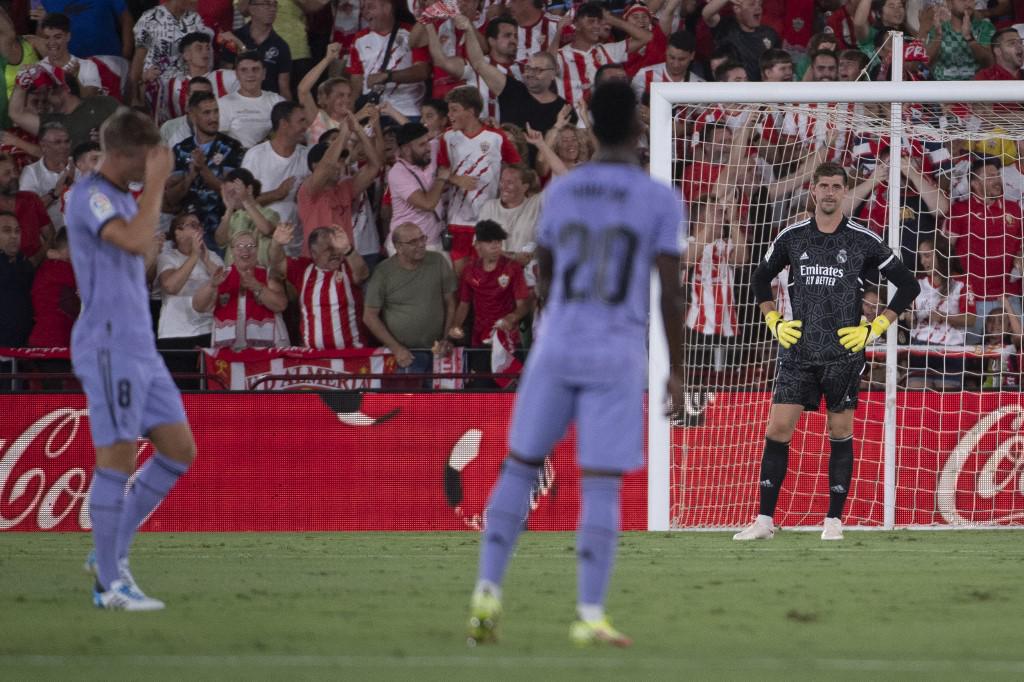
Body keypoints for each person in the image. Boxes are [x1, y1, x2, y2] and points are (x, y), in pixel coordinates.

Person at [465, 81, 686, 648]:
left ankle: (487, 589)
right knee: (601, 482)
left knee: (519, 465)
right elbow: (668, 291)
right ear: (639, 128)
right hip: (614, 349)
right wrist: (676, 370)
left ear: (588, 126)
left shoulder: (561, 193)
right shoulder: (658, 198)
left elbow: (544, 268)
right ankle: (589, 611)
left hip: (558, 340)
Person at [737, 161, 920, 543]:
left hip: (842, 354)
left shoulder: (862, 238)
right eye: (824, 186)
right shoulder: (792, 236)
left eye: (837, 186)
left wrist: (875, 328)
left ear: (844, 192)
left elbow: (907, 285)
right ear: (813, 190)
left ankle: (834, 520)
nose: (830, 192)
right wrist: (773, 321)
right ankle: (764, 520)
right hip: (798, 351)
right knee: (778, 429)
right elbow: (758, 279)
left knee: (839, 432)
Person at [65, 108, 196, 610]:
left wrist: (147, 194)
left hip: (141, 341)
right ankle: (109, 585)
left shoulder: (118, 198)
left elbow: (137, 257)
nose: (155, 164)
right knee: (117, 458)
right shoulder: (91, 194)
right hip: (109, 342)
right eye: (149, 156)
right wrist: (157, 186)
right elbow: (140, 241)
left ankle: (109, 555)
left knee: (178, 450)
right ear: (125, 154)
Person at [438, 85, 521, 273]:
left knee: (485, 276)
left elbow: (517, 168)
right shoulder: (448, 137)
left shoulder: (496, 137)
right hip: (457, 220)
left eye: (455, 110)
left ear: (471, 111)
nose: (449, 115)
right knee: (459, 279)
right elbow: (440, 172)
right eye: (449, 110)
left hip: (488, 219)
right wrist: (454, 178)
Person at [363, 222, 457, 381]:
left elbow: (451, 303)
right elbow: (369, 316)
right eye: (413, 242)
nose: (421, 244)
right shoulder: (383, 272)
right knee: (409, 404)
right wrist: (396, 348)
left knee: (441, 403)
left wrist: (447, 338)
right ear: (398, 247)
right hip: (406, 355)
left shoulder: (438, 261)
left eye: (422, 238)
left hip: (438, 350)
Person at [449, 219, 531, 380]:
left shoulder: (512, 268)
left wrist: (512, 317)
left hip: (509, 340)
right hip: (480, 340)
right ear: (478, 245)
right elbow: (464, 305)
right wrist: (455, 327)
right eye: (489, 242)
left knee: (511, 391)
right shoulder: (470, 270)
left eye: (499, 242)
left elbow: (524, 305)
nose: (496, 246)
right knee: (482, 391)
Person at [268, 222, 371, 349]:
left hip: (352, 354)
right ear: (314, 253)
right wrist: (276, 244)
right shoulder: (303, 269)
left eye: (336, 247)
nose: (334, 253)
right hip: (315, 359)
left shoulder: (348, 266)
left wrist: (348, 249)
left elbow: (363, 274)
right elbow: (277, 264)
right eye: (328, 249)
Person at [166, 92, 245, 249]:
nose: (213, 118)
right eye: (207, 113)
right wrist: (191, 175)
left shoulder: (231, 147)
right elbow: (171, 199)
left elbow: (231, 193)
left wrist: (202, 168)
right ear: (193, 116)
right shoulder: (181, 149)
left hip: (220, 228)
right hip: (187, 230)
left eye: (216, 111)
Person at [296, 109, 382, 254]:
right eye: (337, 160)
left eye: (342, 160)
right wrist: (344, 133)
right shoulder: (309, 189)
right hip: (315, 262)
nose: (339, 164)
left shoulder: (345, 187)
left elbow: (374, 166)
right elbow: (327, 164)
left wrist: (358, 130)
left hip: (344, 260)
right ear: (315, 166)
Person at [191, 229, 288, 349]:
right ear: (231, 251)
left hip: (267, 350)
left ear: (257, 250)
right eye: (239, 246)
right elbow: (198, 306)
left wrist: (257, 286)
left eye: (250, 246)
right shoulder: (221, 275)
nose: (245, 249)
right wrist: (212, 285)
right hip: (230, 352)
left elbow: (281, 305)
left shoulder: (269, 274)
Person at [156, 212, 223, 384]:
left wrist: (206, 259)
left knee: (209, 389)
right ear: (177, 233)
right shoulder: (168, 257)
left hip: (208, 332)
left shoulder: (213, 257)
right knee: (181, 392)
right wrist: (194, 256)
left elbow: (225, 290)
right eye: (192, 225)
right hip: (176, 333)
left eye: (199, 225)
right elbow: (171, 286)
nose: (198, 228)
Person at [241, 100, 310, 253]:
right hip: (263, 247)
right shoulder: (256, 155)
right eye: (301, 121)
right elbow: (241, 201)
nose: (305, 127)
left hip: (297, 246)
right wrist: (277, 194)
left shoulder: (306, 156)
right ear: (284, 124)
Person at [556, 2, 651, 107]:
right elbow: (547, 67)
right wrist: (558, 32)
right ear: (577, 25)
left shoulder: (607, 50)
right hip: (574, 121)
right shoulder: (561, 56)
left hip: (605, 119)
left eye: (599, 21)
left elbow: (646, 37)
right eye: (591, 21)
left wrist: (612, 20)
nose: (597, 26)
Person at [9, 64, 120, 149]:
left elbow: (134, 128)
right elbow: (16, 114)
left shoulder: (103, 103)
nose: (44, 96)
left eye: (49, 90)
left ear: (66, 89)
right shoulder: (50, 122)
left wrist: (111, 138)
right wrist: (20, 84)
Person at [387, 121, 449, 254]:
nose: (429, 148)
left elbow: (452, 133)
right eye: (422, 144)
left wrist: (484, 123)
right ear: (406, 149)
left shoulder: (428, 151)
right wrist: (441, 178)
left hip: (434, 242)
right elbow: (427, 204)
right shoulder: (398, 173)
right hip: (407, 246)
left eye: (427, 141)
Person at [224, 0, 293, 98]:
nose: (272, 9)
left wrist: (287, 111)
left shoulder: (281, 46)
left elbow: (284, 88)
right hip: (237, 103)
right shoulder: (234, 38)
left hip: (268, 105)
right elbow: (224, 78)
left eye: (274, 5)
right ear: (252, 8)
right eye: (266, 4)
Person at [216, 51, 286, 150]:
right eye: (244, 70)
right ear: (236, 74)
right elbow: (219, 141)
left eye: (255, 69)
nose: (250, 74)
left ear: (264, 73)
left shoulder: (277, 101)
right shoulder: (223, 103)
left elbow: (289, 131)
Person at [701, 0, 781, 81]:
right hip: (732, 90)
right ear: (737, 9)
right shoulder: (725, 28)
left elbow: (778, 64)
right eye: (752, 4)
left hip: (760, 91)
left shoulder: (770, 34)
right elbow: (706, 14)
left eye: (760, 4)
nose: (758, 8)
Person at [18, 121, 72, 229]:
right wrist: (54, 194)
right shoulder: (31, 173)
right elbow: (27, 211)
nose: (64, 146)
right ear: (43, 145)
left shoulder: (81, 166)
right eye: (57, 142)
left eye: (67, 141)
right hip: (49, 240)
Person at [37, 13, 103, 97]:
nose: (52, 42)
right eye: (47, 37)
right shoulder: (38, 69)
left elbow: (91, 100)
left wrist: (75, 80)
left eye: (57, 37)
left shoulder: (87, 66)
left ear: (68, 36)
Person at [0, 211, 33, 352]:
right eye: (6, 231)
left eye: (17, 231)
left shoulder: (25, 264)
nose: (14, 236)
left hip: (23, 350)